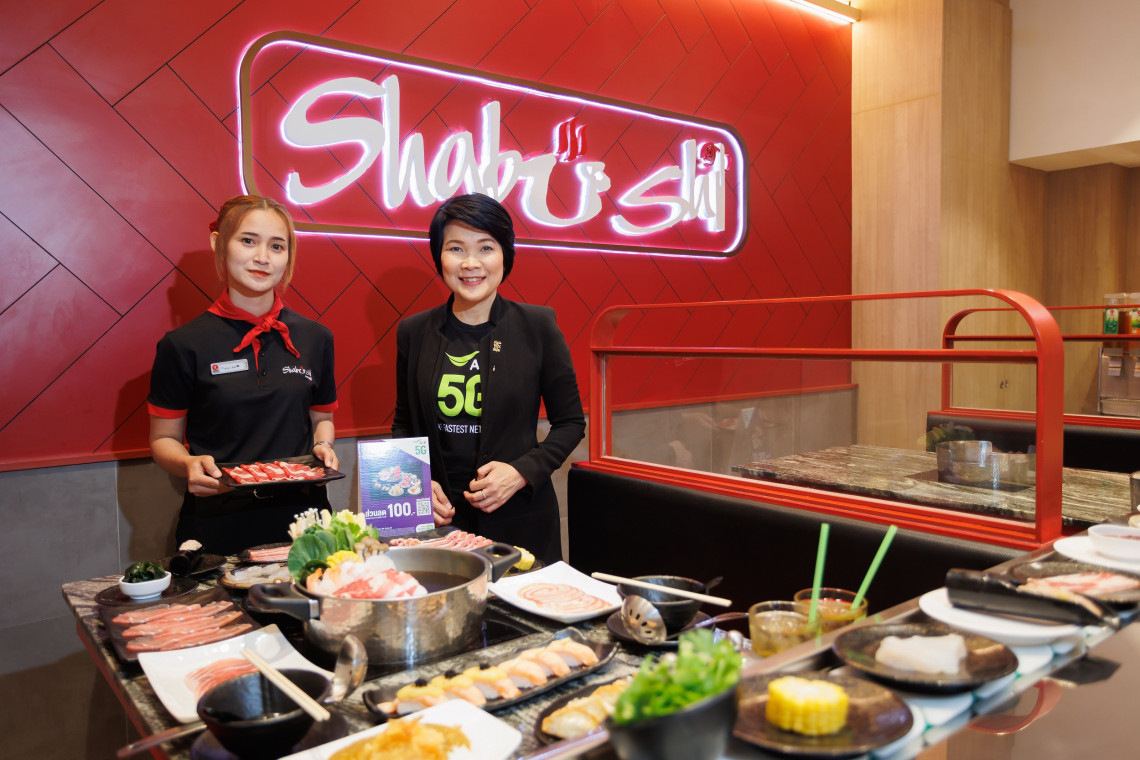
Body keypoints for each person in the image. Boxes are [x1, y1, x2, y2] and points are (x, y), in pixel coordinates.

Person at [392, 193, 585, 563]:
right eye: (456, 248)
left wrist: (520, 472)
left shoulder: (538, 326)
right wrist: (416, 485)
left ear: (505, 255)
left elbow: (571, 423)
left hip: (519, 516)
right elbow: (404, 422)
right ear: (439, 256)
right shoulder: (414, 331)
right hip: (440, 520)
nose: (470, 263)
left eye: (485, 248)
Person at [147, 195, 338, 555]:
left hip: (305, 520)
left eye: (277, 246)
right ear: (219, 243)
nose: (263, 257)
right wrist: (187, 463)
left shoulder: (316, 338)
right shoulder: (182, 344)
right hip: (217, 519)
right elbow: (162, 440)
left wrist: (323, 446)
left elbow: (321, 418)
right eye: (248, 241)